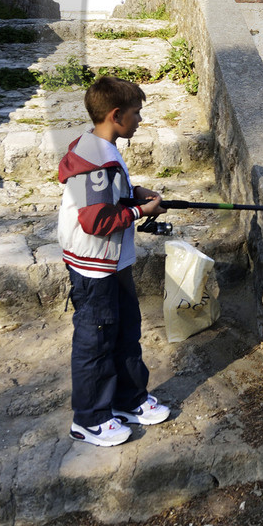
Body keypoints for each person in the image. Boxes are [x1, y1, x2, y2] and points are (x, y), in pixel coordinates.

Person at [57, 75, 172, 447]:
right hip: (94, 266)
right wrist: (139, 212)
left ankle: (127, 400)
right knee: (95, 341)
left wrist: (133, 192)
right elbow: (94, 221)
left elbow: (111, 193)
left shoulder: (100, 145)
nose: (139, 121)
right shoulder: (97, 162)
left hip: (114, 263)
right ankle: (89, 419)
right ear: (116, 114)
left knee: (126, 331)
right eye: (136, 114)